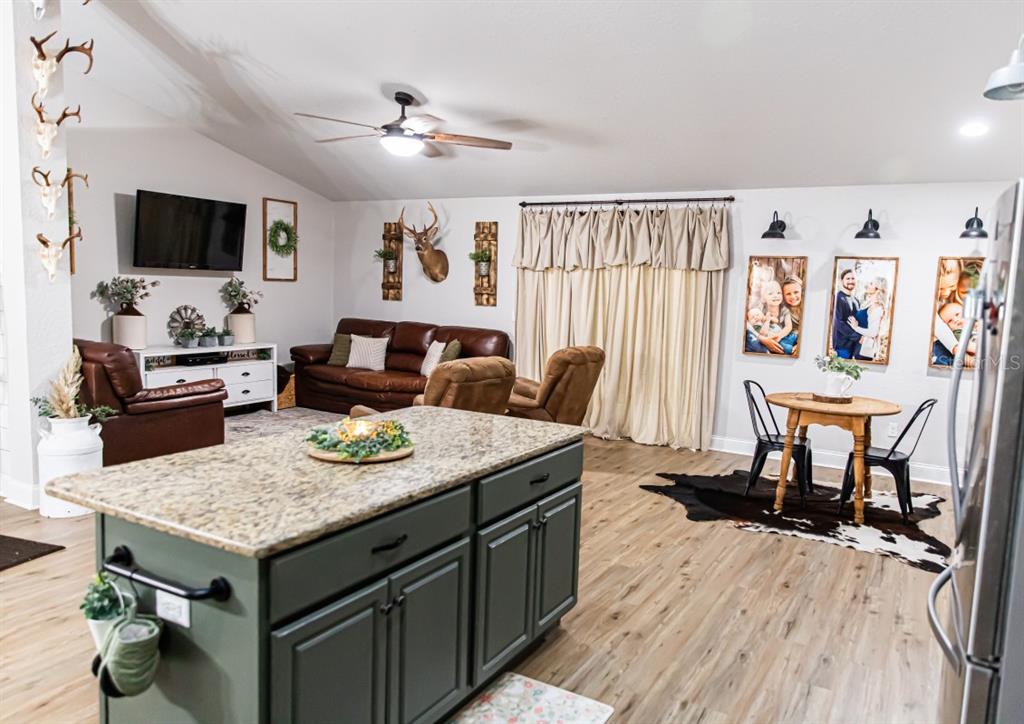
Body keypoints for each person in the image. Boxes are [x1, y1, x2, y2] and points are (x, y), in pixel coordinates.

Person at [847, 277, 888, 362]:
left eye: (871, 284)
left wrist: (856, 327)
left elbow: (873, 333)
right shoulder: (869, 303)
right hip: (858, 345)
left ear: (877, 289)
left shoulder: (877, 307)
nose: (868, 285)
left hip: (864, 349)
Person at [831, 268, 861, 358]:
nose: (851, 281)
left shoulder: (856, 300)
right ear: (842, 281)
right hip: (842, 346)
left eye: (853, 278)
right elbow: (838, 323)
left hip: (854, 347)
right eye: (848, 279)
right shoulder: (837, 298)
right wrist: (858, 337)